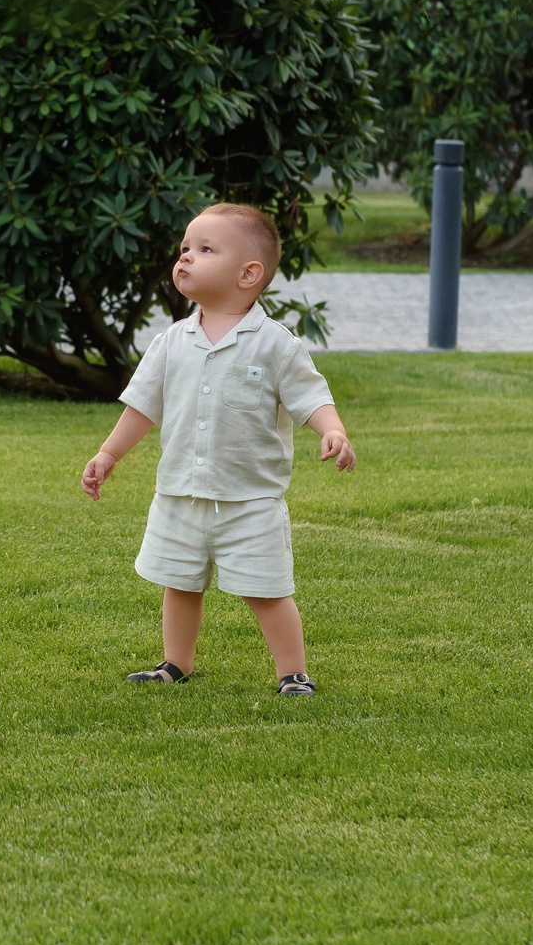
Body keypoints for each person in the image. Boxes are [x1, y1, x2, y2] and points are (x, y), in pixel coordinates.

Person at [80, 203, 356, 695]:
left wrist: (331, 429)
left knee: (267, 589)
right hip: (180, 493)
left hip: (248, 499)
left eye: (204, 250)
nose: (185, 257)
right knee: (180, 582)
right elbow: (143, 406)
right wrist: (108, 453)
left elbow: (312, 396)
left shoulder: (276, 345)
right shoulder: (171, 342)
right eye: (185, 248)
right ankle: (175, 663)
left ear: (248, 274)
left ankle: (293, 673)